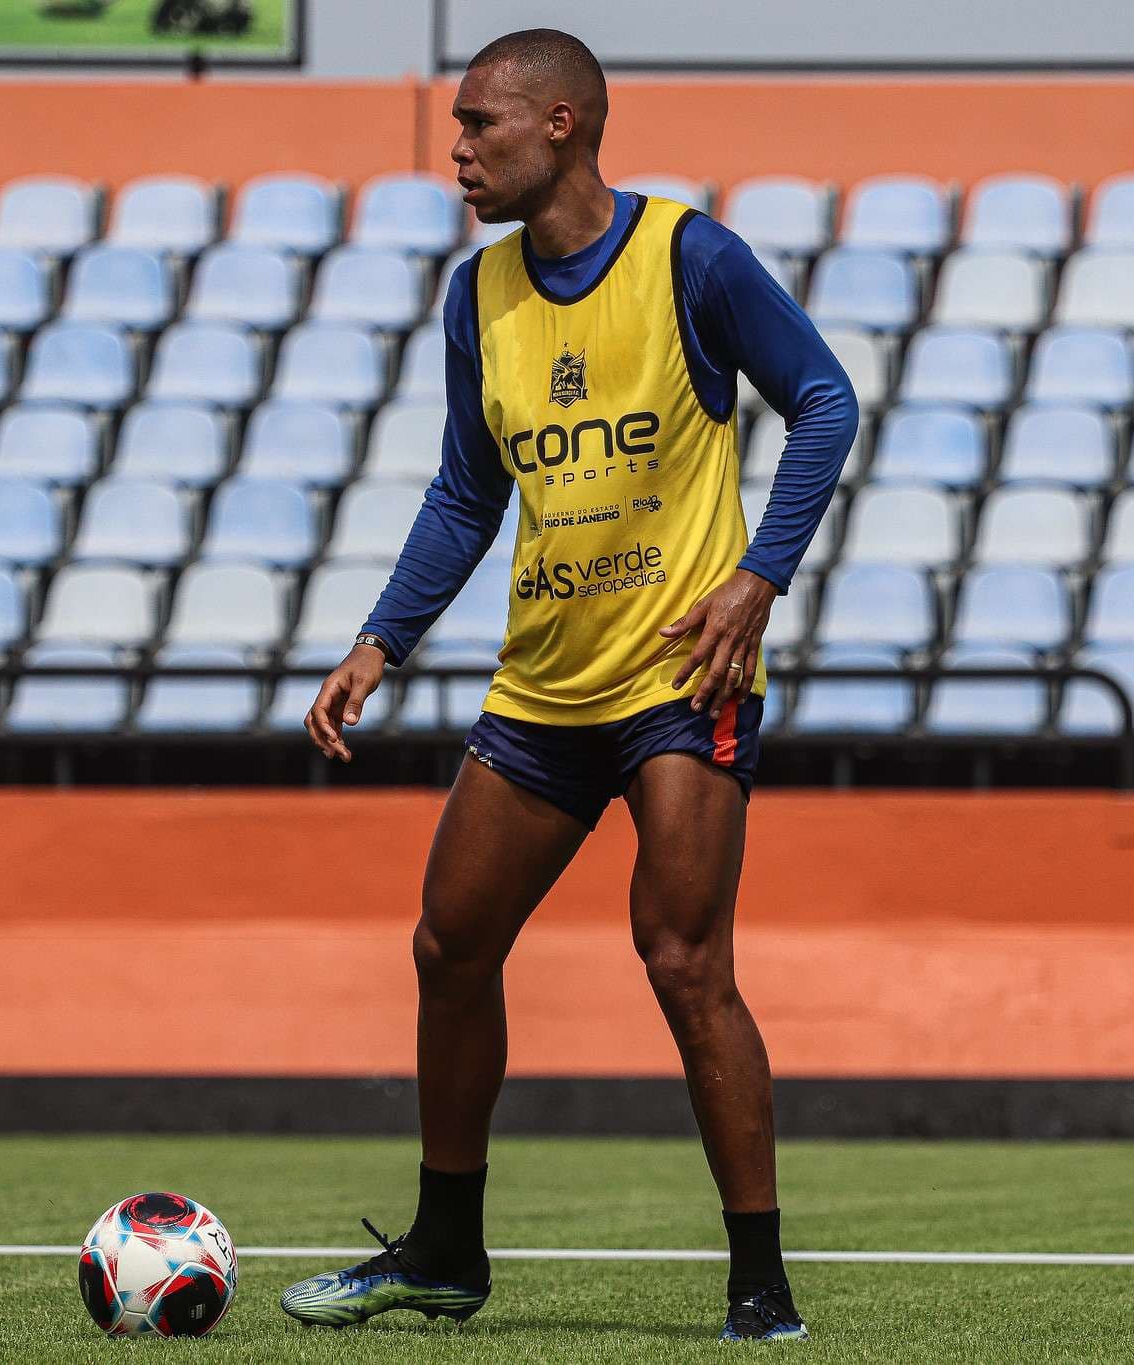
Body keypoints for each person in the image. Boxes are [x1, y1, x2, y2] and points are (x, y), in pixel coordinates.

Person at [286, 26, 857, 1344]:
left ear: (563, 125)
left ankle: (759, 1284)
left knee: (682, 958)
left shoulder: (689, 259)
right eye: (457, 127)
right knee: (448, 943)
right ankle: (444, 1249)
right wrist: (384, 640)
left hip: (681, 676)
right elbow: (467, 490)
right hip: (544, 685)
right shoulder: (475, 295)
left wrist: (761, 575)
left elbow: (823, 400)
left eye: (481, 124)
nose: (459, 150)